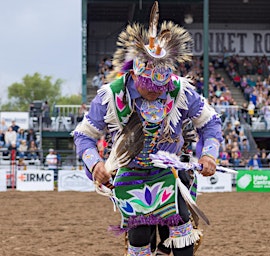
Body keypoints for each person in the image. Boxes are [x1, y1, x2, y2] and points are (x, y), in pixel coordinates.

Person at [73, 3, 222, 255]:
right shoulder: (112, 96)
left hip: (169, 171)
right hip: (130, 172)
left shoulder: (179, 91)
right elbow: (83, 135)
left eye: (161, 88)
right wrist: (95, 164)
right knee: (140, 235)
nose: (156, 93)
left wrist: (209, 153)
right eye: (150, 87)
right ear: (136, 75)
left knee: (180, 227)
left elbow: (210, 122)